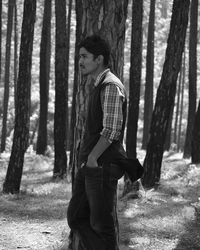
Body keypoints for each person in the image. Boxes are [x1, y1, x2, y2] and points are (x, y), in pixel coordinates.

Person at [67, 34, 128, 250]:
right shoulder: (100, 85)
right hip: (94, 166)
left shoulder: (110, 86)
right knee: (77, 217)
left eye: (84, 56)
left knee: (101, 226)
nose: (80, 61)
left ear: (99, 59)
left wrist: (92, 158)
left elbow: (111, 129)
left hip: (102, 166)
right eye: (79, 56)